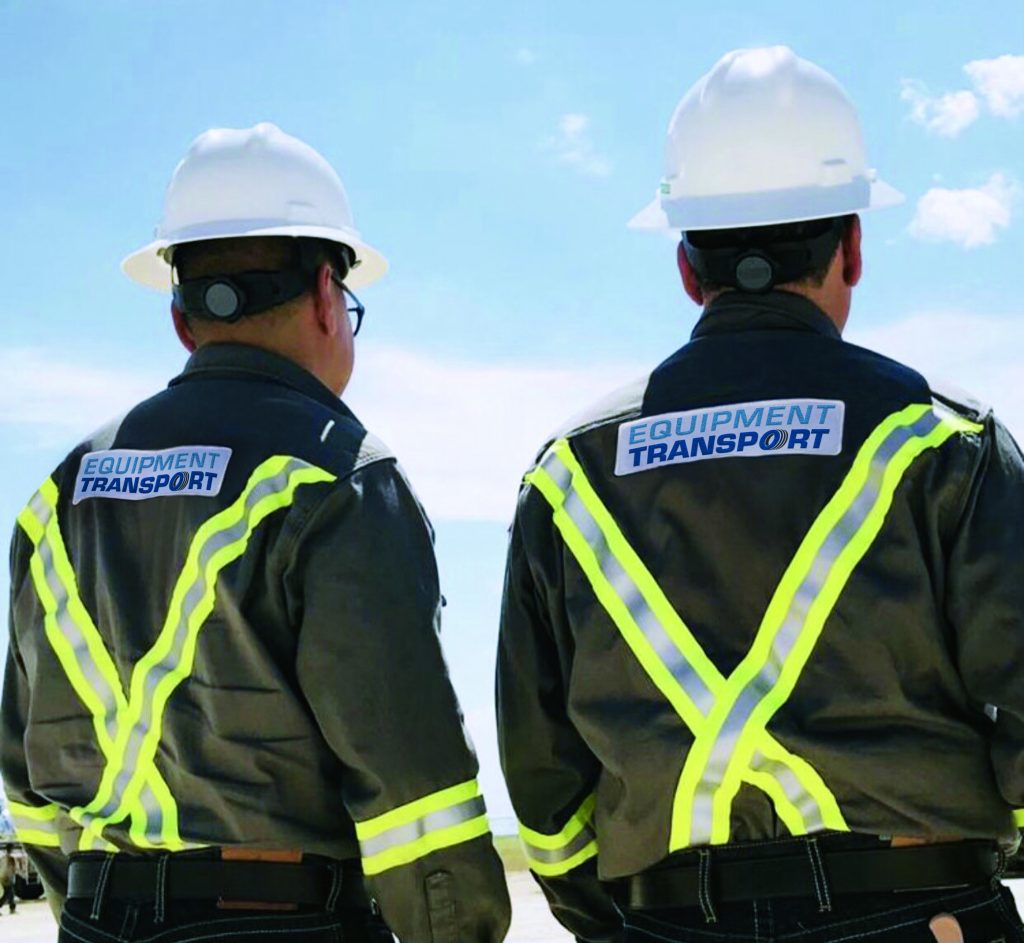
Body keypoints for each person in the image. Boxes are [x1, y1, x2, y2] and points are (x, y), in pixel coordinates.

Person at [496, 46, 1024, 943]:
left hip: (667, 923)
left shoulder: (568, 475)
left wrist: (622, 919)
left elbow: (545, 783)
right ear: (852, 248)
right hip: (916, 910)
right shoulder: (947, 445)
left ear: (687, 268)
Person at [1, 122, 511, 943]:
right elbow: (413, 792)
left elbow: (27, 778)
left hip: (96, 922)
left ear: (182, 319)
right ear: (323, 296)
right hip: (282, 923)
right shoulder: (339, 478)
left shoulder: (58, 495)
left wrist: (99, 906)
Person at [0, 845, 16, 915]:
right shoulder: (9, 858)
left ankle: (12, 908)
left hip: (5, 878)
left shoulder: (3, 858)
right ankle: (12, 908)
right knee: (7, 894)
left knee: (10, 894)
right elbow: (8, 869)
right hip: (6, 878)